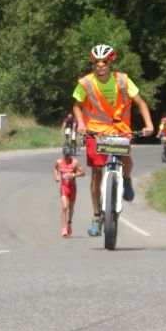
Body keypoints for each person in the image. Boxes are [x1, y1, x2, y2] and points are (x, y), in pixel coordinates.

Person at [72, 44, 154, 237]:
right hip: (96, 131)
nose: (100, 66)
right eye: (97, 62)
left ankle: (126, 180)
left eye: (105, 62)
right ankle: (96, 217)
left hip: (119, 128)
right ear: (93, 64)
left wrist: (149, 125)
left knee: (125, 158)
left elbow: (141, 103)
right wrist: (81, 125)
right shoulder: (85, 83)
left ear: (111, 63)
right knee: (96, 173)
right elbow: (77, 106)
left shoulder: (123, 80)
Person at [53, 145, 85, 237]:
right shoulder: (59, 162)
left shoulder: (75, 162)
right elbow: (55, 168)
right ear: (63, 154)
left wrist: (73, 175)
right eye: (66, 155)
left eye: (69, 155)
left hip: (72, 188)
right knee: (64, 207)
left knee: (71, 208)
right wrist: (56, 176)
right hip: (64, 188)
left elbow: (83, 173)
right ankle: (64, 228)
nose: (67, 156)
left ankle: (69, 223)